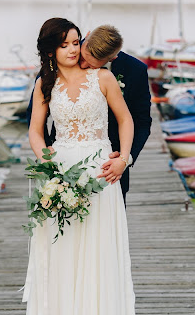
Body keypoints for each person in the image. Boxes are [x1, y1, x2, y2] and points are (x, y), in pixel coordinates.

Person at [22, 18, 141, 315]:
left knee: (97, 251)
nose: (74, 50)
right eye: (65, 45)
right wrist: (48, 164)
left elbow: (126, 119)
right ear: (50, 51)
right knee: (63, 252)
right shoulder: (44, 84)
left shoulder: (102, 78)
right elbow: (35, 130)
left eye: (77, 42)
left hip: (101, 171)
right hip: (61, 171)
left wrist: (124, 159)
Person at [26, 24, 152, 204]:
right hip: (62, 161)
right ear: (85, 37)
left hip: (109, 167)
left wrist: (125, 159)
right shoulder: (67, 55)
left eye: (91, 63)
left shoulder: (134, 70)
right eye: (82, 56)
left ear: (112, 58)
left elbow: (141, 122)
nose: (81, 63)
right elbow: (35, 118)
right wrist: (46, 157)